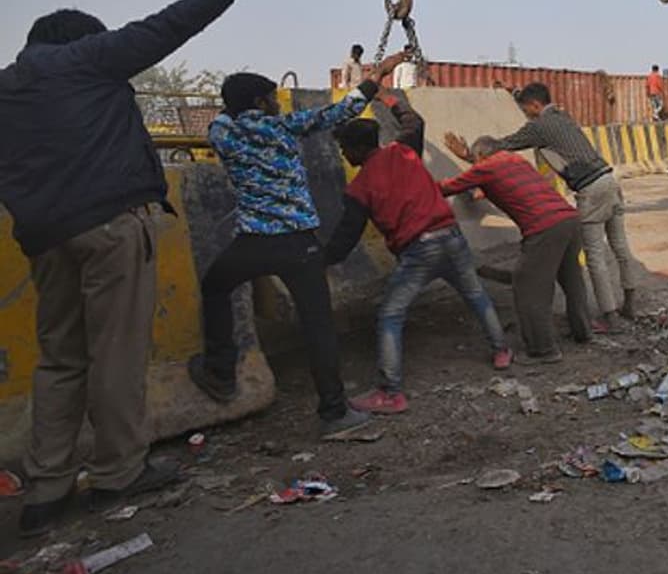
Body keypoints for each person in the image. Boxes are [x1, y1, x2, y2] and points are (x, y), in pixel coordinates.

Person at [0, 0, 271, 538]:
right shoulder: (85, 60)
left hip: (44, 240)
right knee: (116, 354)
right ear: (78, 40)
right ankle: (118, 472)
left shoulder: (7, 87)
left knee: (59, 359)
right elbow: (163, 28)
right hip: (110, 226)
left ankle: (45, 490)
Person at [186, 51, 405, 438]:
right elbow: (344, 110)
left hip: (252, 241)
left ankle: (220, 371)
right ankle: (334, 412)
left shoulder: (222, 132)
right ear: (259, 103)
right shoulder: (285, 127)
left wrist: (232, 107)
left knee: (215, 287)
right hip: (298, 243)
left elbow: (222, 117)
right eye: (270, 97)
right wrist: (379, 75)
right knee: (317, 323)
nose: (275, 102)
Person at [325, 98, 512, 415]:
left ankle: (390, 392)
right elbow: (416, 123)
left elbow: (345, 237)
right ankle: (502, 350)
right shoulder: (404, 150)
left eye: (345, 148)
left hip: (418, 251)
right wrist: (392, 99)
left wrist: (320, 259)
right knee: (476, 295)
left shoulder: (359, 188)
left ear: (356, 150)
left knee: (390, 316)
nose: (344, 154)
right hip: (452, 238)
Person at [446, 82, 641, 329]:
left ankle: (610, 316)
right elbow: (530, 103)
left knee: (594, 256)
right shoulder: (561, 115)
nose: (525, 115)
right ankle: (630, 305)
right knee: (621, 248)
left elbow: (501, 146)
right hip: (609, 179)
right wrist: (514, 92)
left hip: (590, 189)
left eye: (526, 110)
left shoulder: (539, 127)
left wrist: (467, 156)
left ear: (535, 106)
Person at [440, 136, 592, 362]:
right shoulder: (515, 160)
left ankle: (543, 350)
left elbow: (447, 188)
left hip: (544, 228)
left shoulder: (485, 168)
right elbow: (490, 185)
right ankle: (583, 331)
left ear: (480, 156)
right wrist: (470, 159)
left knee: (527, 286)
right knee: (572, 280)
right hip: (569, 219)